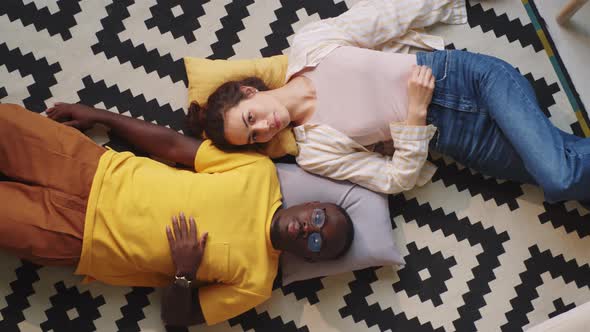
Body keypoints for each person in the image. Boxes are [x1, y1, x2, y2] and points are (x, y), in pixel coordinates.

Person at [190, 0, 590, 205]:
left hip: (469, 79)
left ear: (249, 92)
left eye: (251, 119)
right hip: (458, 139)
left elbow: (386, 18)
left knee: (558, 178)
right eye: (254, 138)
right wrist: (414, 117)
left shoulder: (310, 46)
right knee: (572, 175)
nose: (264, 129)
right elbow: (394, 180)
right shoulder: (314, 152)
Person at [0, 103, 355, 327]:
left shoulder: (256, 283)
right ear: (312, 204)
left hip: (80, 237)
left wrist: (184, 273)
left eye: (316, 241)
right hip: (94, 168)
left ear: (308, 256)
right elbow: (174, 146)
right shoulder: (259, 171)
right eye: (320, 219)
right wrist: (100, 116)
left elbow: (177, 319)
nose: (311, 228)